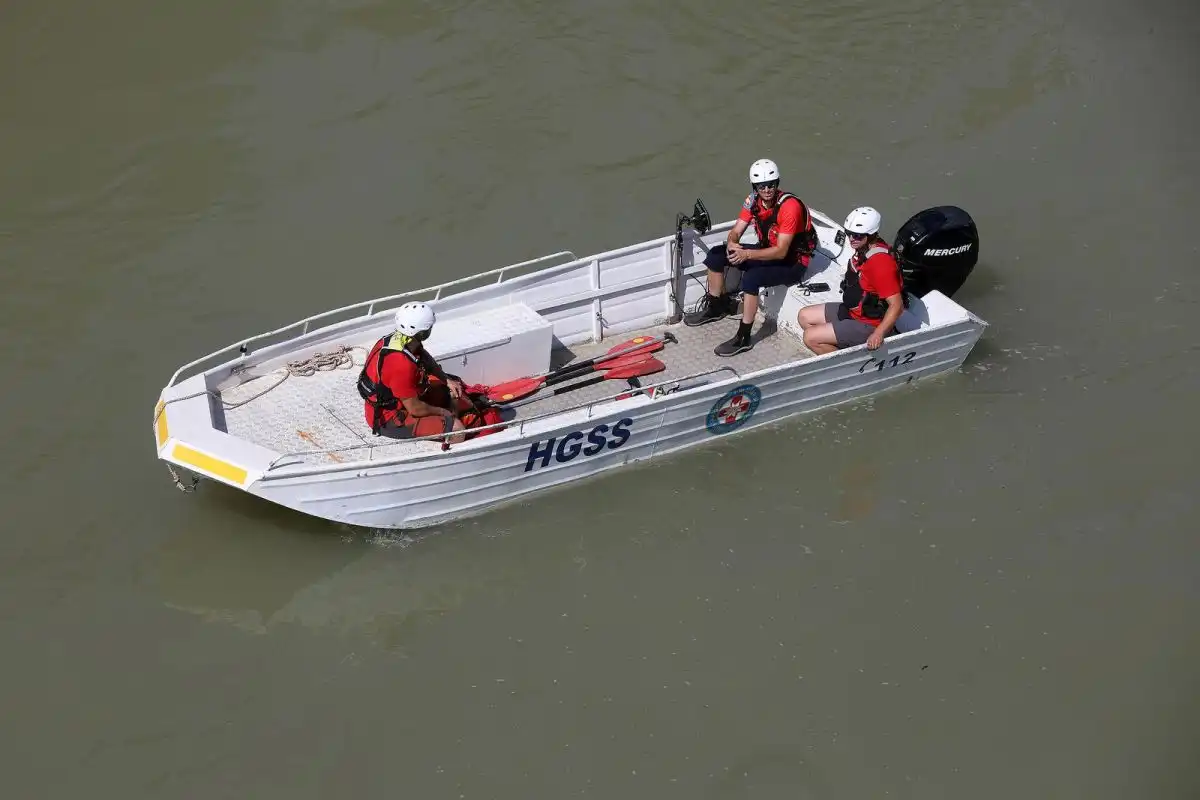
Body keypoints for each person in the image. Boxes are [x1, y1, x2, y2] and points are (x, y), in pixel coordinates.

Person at [683, 157, 818, 357]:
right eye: (761, 186)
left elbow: (781, 251)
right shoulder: (752, 201)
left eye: (771, 185)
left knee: (752, 278)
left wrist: (746, 254)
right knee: (716, 255)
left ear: (777, 184)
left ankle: (744, 337)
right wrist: (732, 243)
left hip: (792, 262)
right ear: (755, 187)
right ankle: (716, 307)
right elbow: (736, 230)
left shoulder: (790, 208)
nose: (767, 190)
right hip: (767, 251)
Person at [357, 301, 472, 443]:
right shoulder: (401, 365)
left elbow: (424, 356)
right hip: (389, 418)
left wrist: (445, 379)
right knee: (457, 430)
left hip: (402, 400)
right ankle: (447, 428)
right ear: (423, 333)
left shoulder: (399, 340)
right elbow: (415, 409)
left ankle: (447, 417)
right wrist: (444, 412)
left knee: (451, 390)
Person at [796, 206, 906, 355]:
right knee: (804, 316)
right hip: (853, 312)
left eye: (858, 235)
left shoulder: (881, 264)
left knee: (810, 337)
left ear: (872, 234)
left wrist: (878, 334)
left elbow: (897, 306)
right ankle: (844, 347)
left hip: (868, 324)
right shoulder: (864, 249)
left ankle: (845, 366)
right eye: (849, 233)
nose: (852, 239)